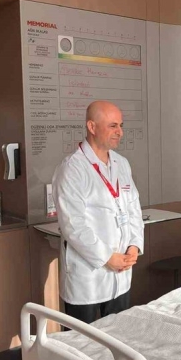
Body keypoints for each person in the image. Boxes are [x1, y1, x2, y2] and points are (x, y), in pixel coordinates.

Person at [52, 100, 144, 323]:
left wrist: (134, 245)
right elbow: (73, 225)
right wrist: (107, 258)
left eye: (121, 125)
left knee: (118, 335)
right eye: (113, 126)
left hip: (121, 273)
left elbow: (133, 208)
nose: (120, 132)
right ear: (92, 127)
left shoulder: (122, 164)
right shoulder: (72, 169)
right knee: (82, 340)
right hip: (88, 279)